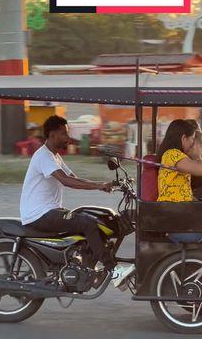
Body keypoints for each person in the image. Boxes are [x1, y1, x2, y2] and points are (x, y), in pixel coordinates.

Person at [20, 115, 135, 288]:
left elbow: (74, 178)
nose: (68, 138)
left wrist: (106, 184)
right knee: (87, 223)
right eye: (64, 134)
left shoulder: (55, 156)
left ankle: (87, 268)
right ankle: (113, 271)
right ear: (52, 135)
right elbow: (66, 181)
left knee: (88, 217)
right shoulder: (43, 156)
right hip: (40, 215)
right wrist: (98, 185)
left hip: (50, 211)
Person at [156, 120, 202, 243]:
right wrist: (198, 154)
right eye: (192, 139)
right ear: (184, 138)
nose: (192, 144)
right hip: (176, 220)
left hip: (181, 216)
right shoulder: (172, 154)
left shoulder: (174, 155)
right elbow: (201, 170)